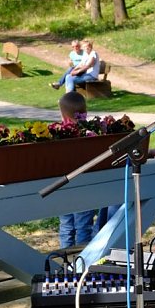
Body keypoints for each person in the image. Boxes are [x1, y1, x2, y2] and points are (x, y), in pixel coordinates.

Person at [56, 91, 97, 248]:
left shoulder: (60, 134)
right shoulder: (90, 133)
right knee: (83, 226)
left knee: (66, 227)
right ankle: (83, 259)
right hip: (85, 187)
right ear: (85, 112)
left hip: (63, 187)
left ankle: (65, 263)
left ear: (62, 114)